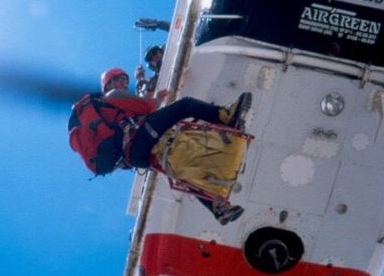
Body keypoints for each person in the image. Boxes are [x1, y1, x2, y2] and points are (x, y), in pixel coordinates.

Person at [69, 68, 252, 225]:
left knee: (176, 172)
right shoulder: (111, 96)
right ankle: (227, 116)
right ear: (108, 85)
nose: (124, 83)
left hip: (137, 156)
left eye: (125, 80)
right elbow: (147, 107)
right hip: (140, 137)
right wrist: (156, 99)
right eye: (119, 79)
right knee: (185, 105)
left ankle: (217, 207)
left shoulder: (102, 118)